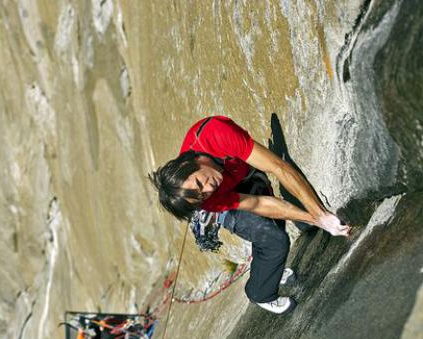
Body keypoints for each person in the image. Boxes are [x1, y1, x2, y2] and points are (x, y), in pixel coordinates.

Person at [148, 116, 351, 314]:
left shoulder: (215, 134)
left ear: (188, 164)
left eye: (200, 182)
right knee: (274, 240)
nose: (210, 187)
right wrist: (316, 219)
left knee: (272, 224)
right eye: (202, 193)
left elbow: (278, 167)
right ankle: (260, 293)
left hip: (239, 173)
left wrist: (319, 214)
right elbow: (256, 204)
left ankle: (267, 271)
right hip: (223, 204)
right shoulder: (208, 198)